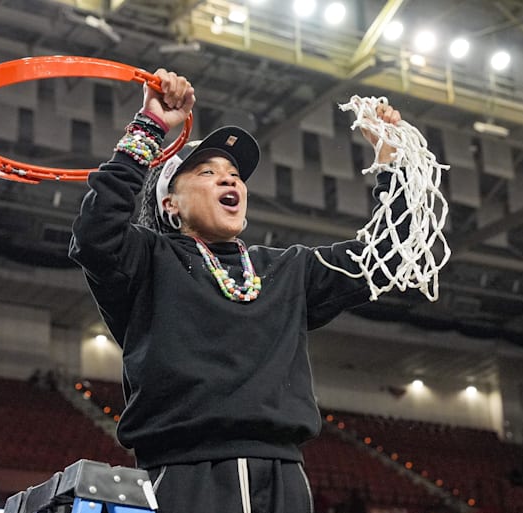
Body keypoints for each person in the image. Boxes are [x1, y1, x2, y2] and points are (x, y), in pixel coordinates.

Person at [69, 69, 401, 513]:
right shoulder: (146, 260)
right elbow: (95, 234)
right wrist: (149, 127)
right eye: (207, 172)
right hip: (185, 474)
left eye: (235, 175)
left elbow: (387, 256)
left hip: (284, 479)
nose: (230, 180)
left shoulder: (287, 269)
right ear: (171, 203)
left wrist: (390, 163)